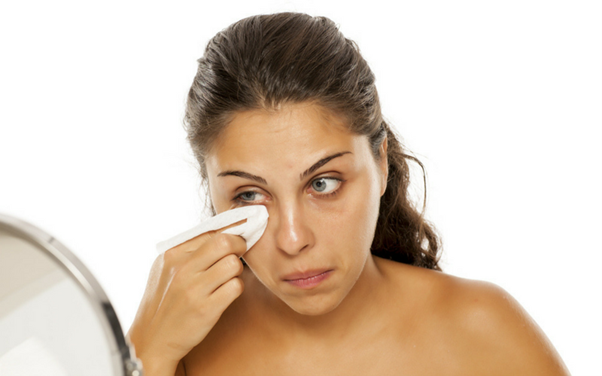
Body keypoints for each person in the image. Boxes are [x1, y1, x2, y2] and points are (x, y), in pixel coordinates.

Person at [127, 12, 570, 375]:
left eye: (323, 184)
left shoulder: (482, 331)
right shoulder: (182, 344)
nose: (293, 239)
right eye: (249, 195)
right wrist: (145, 354)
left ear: (380, 162)